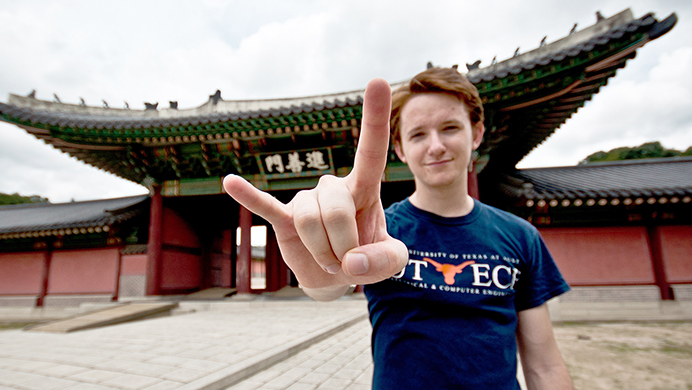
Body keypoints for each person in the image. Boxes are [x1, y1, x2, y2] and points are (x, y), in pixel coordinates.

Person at [223, 67, 573, 389]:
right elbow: (329, 289)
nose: (436, 145)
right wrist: (324, 270)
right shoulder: (378, 231)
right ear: (401, 149)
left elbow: (544, 365)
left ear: (477, 133)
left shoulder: (520, 237)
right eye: (418, 134)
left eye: (450, 128)